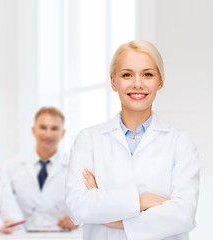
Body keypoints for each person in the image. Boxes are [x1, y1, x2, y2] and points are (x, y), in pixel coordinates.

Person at [65, 40, 200, 240]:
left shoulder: (180, 142)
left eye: (148, 74)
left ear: (160, 81)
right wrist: (143, 201)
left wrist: (108, 216)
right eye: (127, 74)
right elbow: (78, 207)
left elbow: (183, 214)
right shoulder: (89, 140)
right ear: (113, 82)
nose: (137, 83)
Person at [7, 106, 77, 231]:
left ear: (63, 133)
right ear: (33, 130)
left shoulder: (75, 166)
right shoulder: (12, 166)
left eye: (54, 128)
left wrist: (78, 219)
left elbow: (87, 206)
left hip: (61, 235)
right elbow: (5, 204)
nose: (48, 134)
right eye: (43, 127)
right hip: (22, 236)